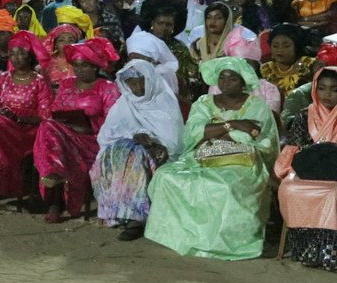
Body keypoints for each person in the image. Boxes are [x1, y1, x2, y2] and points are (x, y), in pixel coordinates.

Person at [144, 57, 278, 261]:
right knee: (165, 176)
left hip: (243, 162)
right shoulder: (204, 103)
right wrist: (233, 125)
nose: (225, 83)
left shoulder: (257, 106)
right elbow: (194, 132)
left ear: (243, 81)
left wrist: (213, 131)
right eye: (222, 78)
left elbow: (255, 137)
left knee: (224, 186)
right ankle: (183, 235)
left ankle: (223, 242)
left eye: (232, 79)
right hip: (200, 157)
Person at [31, 37, 121, 221]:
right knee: (48, 127)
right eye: (77, 65)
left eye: (85, 65)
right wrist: (68, 123)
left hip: (92, 139)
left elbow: (114, 122)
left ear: (95, 66)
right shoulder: (67, 84)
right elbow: (55, 109)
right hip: (64, 135)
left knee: (52, 136)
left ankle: (55, 199)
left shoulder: (107, 88)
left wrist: (87, 126)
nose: (80, 70)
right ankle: (54, 184)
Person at [91, 60, 183, 239]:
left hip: (160, 154)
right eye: (132, 83)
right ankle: (117, 212)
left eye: (141, 82)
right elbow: (107, 135)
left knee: (135, 156)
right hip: (125, 151)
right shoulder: (124, 103)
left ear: (150, 80)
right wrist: (134, 134)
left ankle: (136, 218)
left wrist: (151, 141)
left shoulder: (164, 100)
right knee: (120, 152)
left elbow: (173, 140)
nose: (137, 87)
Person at [0, 34, 50, 207]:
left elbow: (45, 117)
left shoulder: (40, 82)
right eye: (12, 54)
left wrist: (18, 118)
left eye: (21, 53)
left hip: (27, 130)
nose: (16, 57)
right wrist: (0, 112)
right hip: (2, 127)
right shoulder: (3, 79)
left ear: (30, 56)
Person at [275, 59, 337, 270]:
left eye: (334, 90)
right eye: (322, 88)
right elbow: (294, 148)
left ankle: (329, 252)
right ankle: (307, 249)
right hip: (307, 171)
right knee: (290, 189)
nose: (327, 94)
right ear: (315, 89)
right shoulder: (304, 115)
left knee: (333, 194)